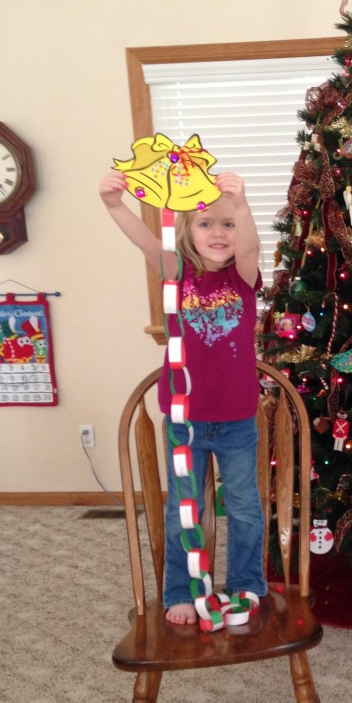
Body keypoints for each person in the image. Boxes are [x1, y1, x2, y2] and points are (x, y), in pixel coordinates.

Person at [99, 169, 268, 625]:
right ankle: (180, 591)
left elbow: (250, 247)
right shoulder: (177, 272)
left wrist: (242, 206)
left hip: (236, 419)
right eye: (206, 224)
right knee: (183, 510)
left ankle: (247, 584)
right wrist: (114, 205)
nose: (219, 233)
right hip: (184, 418)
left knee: (244, 507)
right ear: (188, 232)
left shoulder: (242, 277)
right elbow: (145, 242)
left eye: (227, 224)